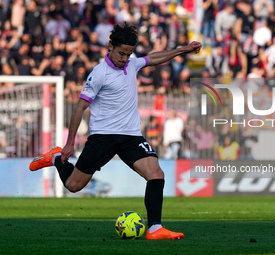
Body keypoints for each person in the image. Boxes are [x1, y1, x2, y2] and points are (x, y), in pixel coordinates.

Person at [29, 22, 201, 240]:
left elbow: (154, 58)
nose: (124, 59)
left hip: (131, 136)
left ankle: (155, 228)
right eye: (121, 53)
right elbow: (80, 106)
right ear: (110, 46)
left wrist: (183, 50)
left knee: (156, 174)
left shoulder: (132, 65)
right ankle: (56, 158)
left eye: (128, 55)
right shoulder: (99, 73)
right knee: (73, 186)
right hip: (103, 137)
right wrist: (70, 143)